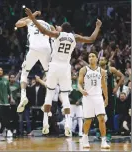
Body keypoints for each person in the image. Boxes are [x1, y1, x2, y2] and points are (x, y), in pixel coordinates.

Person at [24, 7, 102, 137]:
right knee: (65, 97)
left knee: (49, 94)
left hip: (54, 66)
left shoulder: (57, 35)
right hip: (66, 67)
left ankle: (45, 124)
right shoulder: (74, 36)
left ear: (62, 29)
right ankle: (67, 124)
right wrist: (98, 26)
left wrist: (32, 18)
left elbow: (43, 30)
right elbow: (91, 39)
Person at [15, 11, 55, 113]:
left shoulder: (30, 20)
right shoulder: (49, 25)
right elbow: (55, 36)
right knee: (49, 75)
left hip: (33, 48)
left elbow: (17, 24)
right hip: (46, 49)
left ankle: (23, 96)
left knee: (24, 73)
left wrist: (32, 15)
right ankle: (48, 102)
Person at [78, 51, 110, 149]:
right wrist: (81, 90)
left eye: (93, 56)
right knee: (88, 120)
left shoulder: (102, 71)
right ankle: (85, 138)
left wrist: (106, 97)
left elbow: (104, 85)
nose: (91, 58)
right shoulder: (84, 70)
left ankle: (104, 141)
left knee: (101, 118)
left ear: (97, 59)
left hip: (98, 97)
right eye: (89, 56)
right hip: (88, 97)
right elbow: (79, 83)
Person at [99, 56, 124, 135]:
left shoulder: (111, 69)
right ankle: (102, 129)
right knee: (101, 112)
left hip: (110, 94)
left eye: (103, 59)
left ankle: (111, 129)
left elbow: (122, 77)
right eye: (100, 60)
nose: (101, 60)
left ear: (106, 61)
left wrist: (116, 87)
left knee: (110, 112)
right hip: (100, 94)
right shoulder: (96, 70)